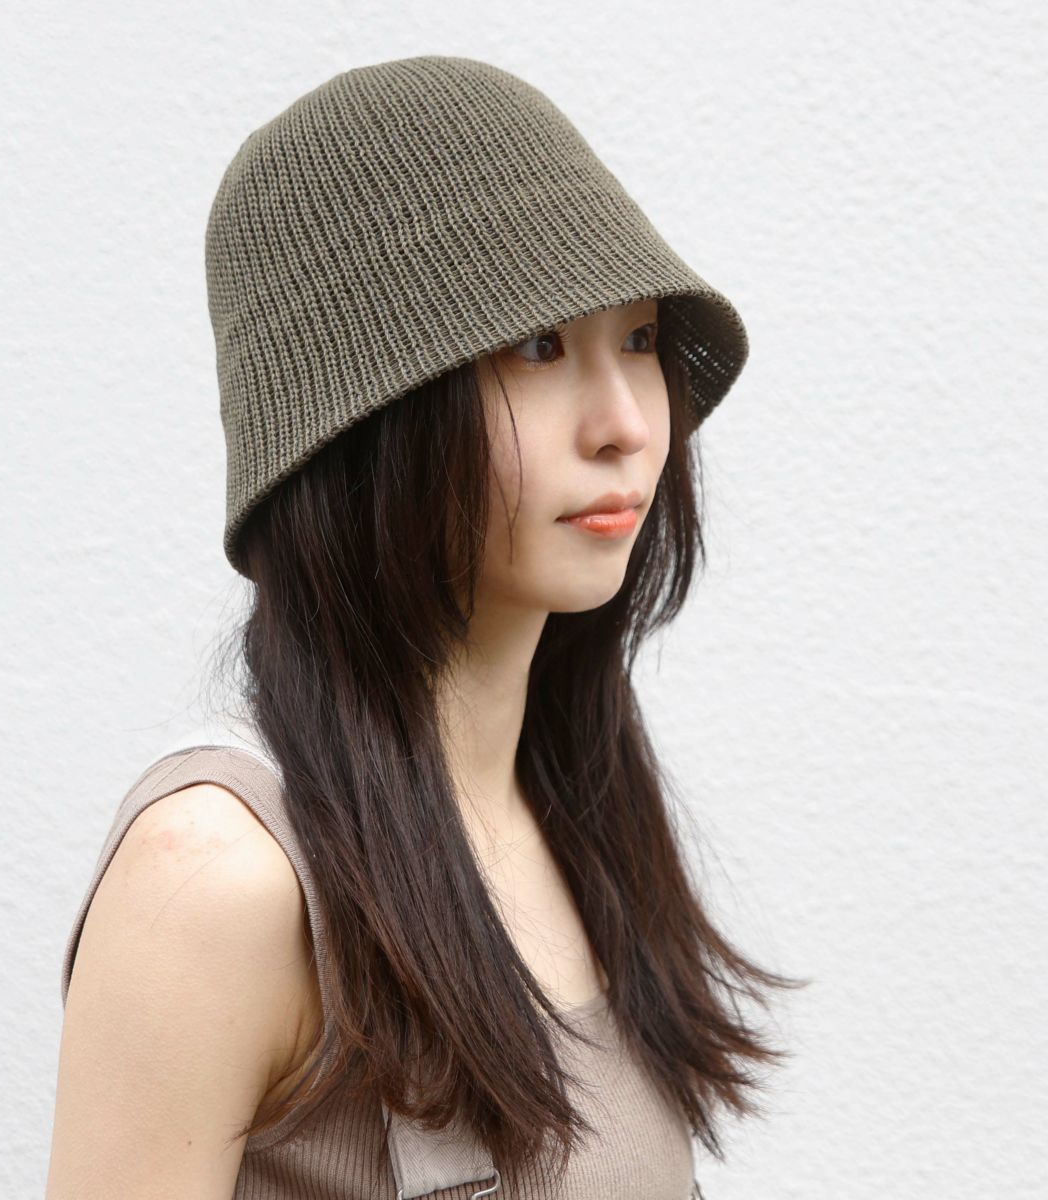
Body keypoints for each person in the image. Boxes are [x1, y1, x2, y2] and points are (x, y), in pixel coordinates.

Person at [45, 54, 805, 1200]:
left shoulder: (576, 815)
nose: (625, 423)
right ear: (363, 421)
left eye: (641, 340)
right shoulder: (221, 880)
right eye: (539, 346)